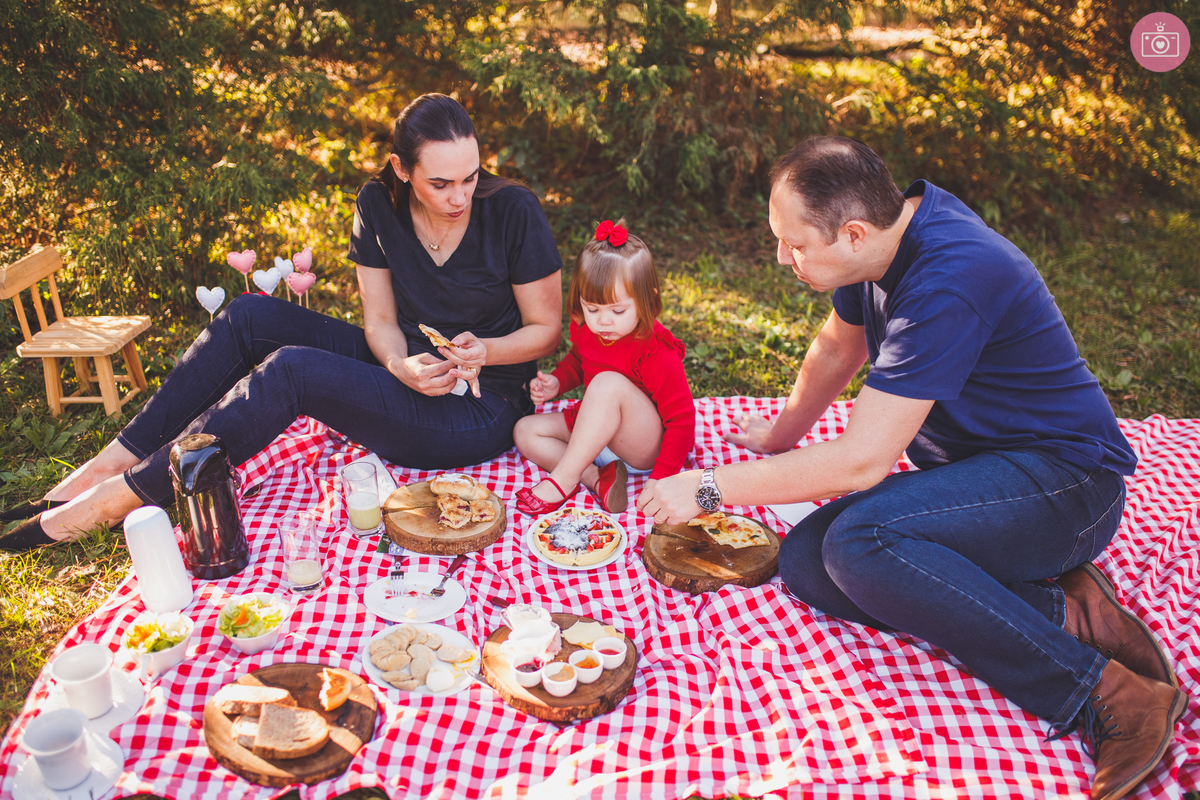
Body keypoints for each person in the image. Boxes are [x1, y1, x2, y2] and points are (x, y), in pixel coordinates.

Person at [637, 136, 1186, 800]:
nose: (783, 257)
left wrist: (709, 486)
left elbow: (864, 460)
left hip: (1066, 487)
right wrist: (782, 432)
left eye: (795, 244)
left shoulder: (950, 276)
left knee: (861, 542)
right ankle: (1068, 610)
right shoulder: (884, 245)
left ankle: (1108, 696)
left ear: (854, 232)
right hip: (983, 476)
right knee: (811, 561)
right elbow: (841, 345)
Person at [0, 93, 563, 551]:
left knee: (292, 371)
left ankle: (122, 498)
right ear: (401, 168)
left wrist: (485, 351)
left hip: (482, 405)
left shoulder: (513, 210)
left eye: (469, 176)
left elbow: (546, 330)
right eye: (441, 183)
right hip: (408, 367)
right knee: (248, 316)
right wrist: (398, 363)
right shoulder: (377, 204)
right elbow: (382, 321)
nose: (460, 195)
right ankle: (108, 465)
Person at [513, 221, 695, 515]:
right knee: (525, 431)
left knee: (607, 383)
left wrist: (661, 478)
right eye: (592, 309)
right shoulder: (589, 330)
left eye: (617, 310)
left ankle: (563, 479)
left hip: (642, 445)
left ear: (646, 299)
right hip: (597, 432)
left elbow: (683, 419)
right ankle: (596, 479)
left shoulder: (655, 350)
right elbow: (579, 358)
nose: (603, 322)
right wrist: (557, 382)